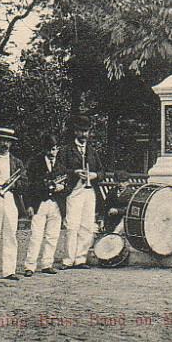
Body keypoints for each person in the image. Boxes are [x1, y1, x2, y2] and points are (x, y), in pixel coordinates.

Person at [59, 115, 103, 269]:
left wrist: (95, 175)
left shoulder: (92, 151)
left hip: (89, 192)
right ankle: (68, 259)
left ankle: (80, 258)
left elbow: (101, 171)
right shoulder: (66, 150)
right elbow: (60, 170)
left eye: (86, 131)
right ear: (75, 132)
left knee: (87, 225)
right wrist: (75, 172)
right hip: (75, 191)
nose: (84, 135)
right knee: (72, 225)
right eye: (81, 131)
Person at [0, 127, 27, 281]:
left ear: (11, 143)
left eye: (7, 141)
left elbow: (24, 182)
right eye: (2, 140)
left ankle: (9, 270)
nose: (5, 144)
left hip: (9, 196)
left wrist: (13, 185)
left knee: (10, 233)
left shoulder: (17, 162)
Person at [24, 134, 66, 277]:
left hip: (55, 204)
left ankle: (47, 264)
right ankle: (30, 266)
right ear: (44, 149)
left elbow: (66, 186)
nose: (52, 153)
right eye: (49, 149)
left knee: (52, 236)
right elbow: (29, 186)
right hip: (39, 203)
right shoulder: (35, 163)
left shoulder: (60, 165)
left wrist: (61, 188)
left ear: (57, 149)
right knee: (36, 235)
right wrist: (29, 205)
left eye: (54, 149)